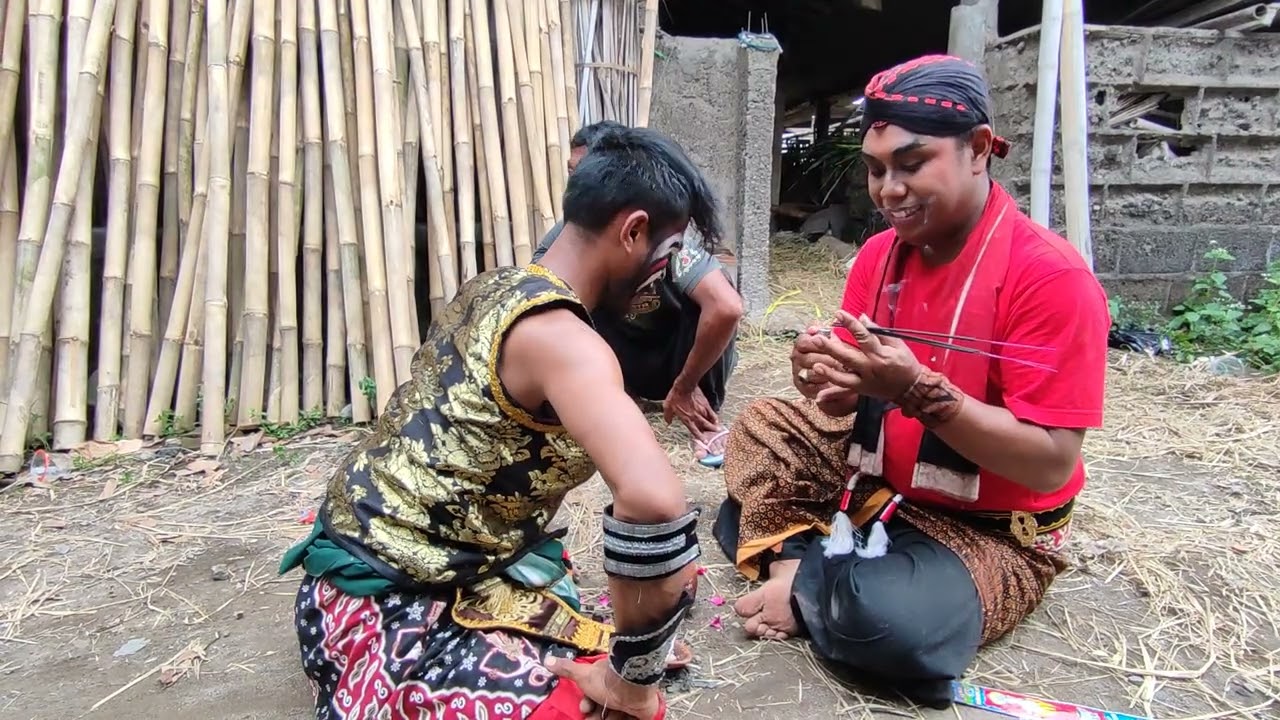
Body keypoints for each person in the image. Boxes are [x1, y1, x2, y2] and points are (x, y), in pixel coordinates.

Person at [279, 126, 723, 720]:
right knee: (596, 706)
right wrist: (632, 682)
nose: (659, 280)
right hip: (385, 603)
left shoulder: (496, 286)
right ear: (632, 230)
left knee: (649, 609)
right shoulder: (567, 341)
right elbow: (656, 502)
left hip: (364, 574)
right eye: (665, 256)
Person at [712, 54, 1111, 708]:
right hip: (881, 480)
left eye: (911, 163)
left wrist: (914, 392)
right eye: (874, 170)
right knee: (762, 426)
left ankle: (807, 569)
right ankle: (809, 571)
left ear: (979, 149)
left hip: (990, 529)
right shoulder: (879, 255)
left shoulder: (1051, 279)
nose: (888, 190)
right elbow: (845, 395)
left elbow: (1049, 464)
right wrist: (822, 379)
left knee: (890, 628)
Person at [533, 122, 744, 469]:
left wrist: (686, 385)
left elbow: (726, 307)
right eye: (574, 173)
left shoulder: (664, 242)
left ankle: (698, 411)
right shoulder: (552, 270)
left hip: (674, 361)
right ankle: (624, 396)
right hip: (620, 364)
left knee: (702, 303)